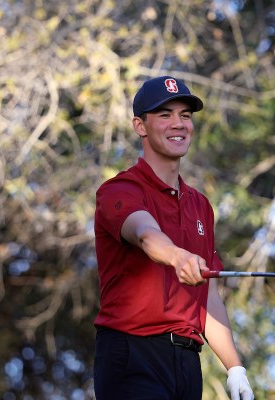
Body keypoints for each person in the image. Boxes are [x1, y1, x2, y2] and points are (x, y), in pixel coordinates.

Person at [93, 75, 254, 400]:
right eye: (165, 115)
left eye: (185, 115)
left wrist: (235, 368)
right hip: (131, 354)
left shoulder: (200, 206)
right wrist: (178, 256)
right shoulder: (120, 190)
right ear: (140, 126)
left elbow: (207, 294)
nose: (178, 124)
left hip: (186, 361)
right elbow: (145, 233)